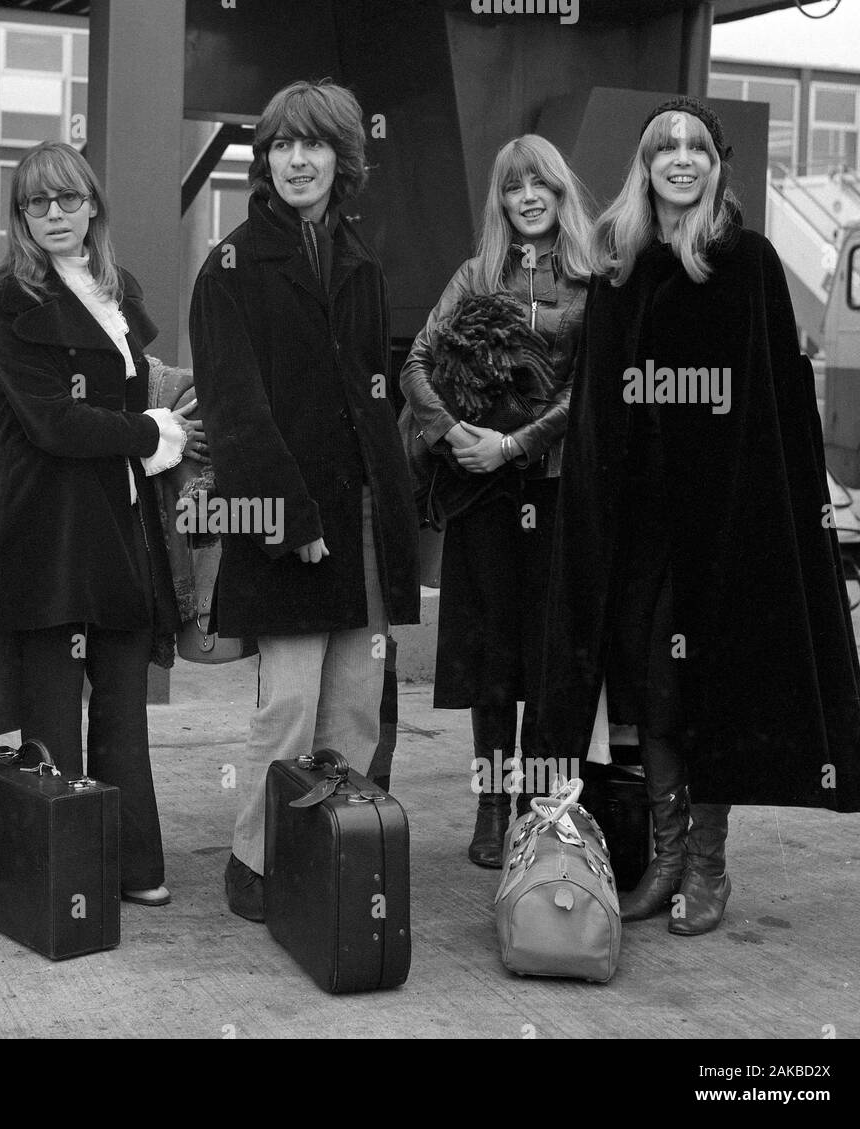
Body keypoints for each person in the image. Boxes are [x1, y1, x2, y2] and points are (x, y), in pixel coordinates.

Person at [541, 97, 860, 937]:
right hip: (640, 520)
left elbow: (780, 397)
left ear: (715, 164)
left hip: (724, 522)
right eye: (665, 149)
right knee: (652, 689)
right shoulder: (623, 264)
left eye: (695, 147)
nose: (681, 160)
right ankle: (662, 855)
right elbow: (595, 401)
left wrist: (799, 505)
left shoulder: (749, 263)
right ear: (645, 167)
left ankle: (709, 868)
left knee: (710, 689)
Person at [189, 80, 419, 922]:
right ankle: (255, 863)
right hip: (289, 522)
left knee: (354, 713)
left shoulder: (362, 260)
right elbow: (234, 407)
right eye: (283, 144)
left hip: (361, 521)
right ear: (266, 157)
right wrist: (291, 522)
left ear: (342, 159)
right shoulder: (231, 266)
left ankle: (328, 859)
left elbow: (376, 397)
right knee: (286, 710)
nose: (297, 160)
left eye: (314, 145)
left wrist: (393, 513)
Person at [0, 141, 201, 907]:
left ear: (93, 204)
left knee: (123, 707)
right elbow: (51, 421)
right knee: (52, 719)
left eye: (68, 199)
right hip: (48, 532)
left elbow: (131, 393)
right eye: (37, 203)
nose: (55, 215)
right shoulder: (5, 298)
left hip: (122, 527)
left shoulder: (117, 288)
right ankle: (65, 876)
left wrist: (157, 427)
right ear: (21, 217)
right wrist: (152, 434)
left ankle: (133, 864)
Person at [400, 135, 593, 868]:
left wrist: (516, 444)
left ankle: (537, 807)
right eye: (515, 188)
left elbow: (588, 387)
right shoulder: (476, 273)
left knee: (545, 657)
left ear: (562, 190)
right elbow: (418, 359)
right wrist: (456, 434)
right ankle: (490, 802)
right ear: (502, 201)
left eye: (541, 183)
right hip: (481, 492)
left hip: (551, 488)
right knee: (489, 657)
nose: (529, 197)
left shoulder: (589, 278)